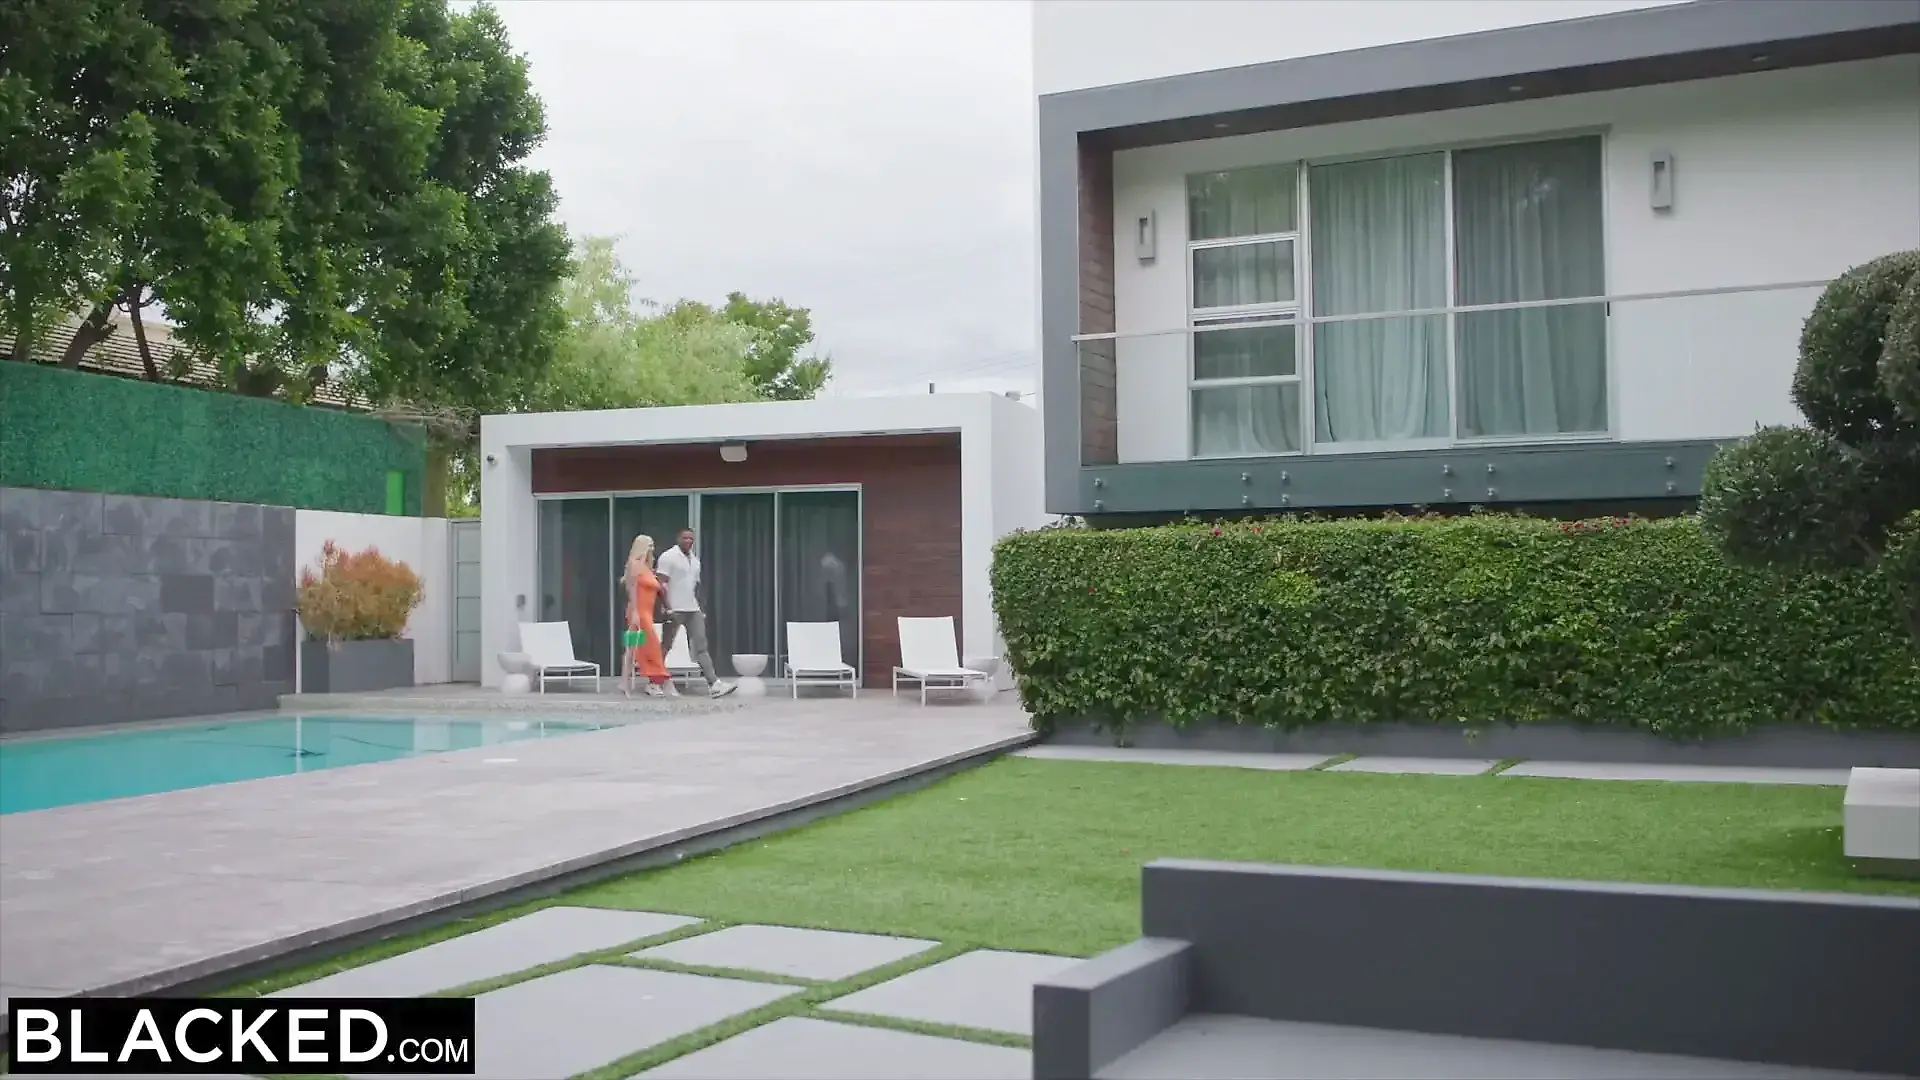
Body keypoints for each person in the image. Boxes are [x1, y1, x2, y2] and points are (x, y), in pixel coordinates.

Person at [656, 527, 736, 698]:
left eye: (691, 538)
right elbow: (661, 584)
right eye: (685, 538)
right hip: (674, 608)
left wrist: (701, 607)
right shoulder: (668, 557)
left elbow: (697, 586)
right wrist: (666, 607)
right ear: (678, 538)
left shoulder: (695, 560)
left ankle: (714, 684)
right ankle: (654, 682)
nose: (688, 541)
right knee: (666, 646)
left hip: (693, 609)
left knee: (701, 646)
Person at [620, 534, 675, 698]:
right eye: (649, 545)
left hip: (646, 613)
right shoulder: (634, 564)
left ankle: (625, 683)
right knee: (651, 646)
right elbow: (631, 589)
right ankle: (661, 681)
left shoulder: (647, 568)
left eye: (652, 545)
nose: (652, 548)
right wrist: (635, 612)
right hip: (638, 612)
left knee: (631, 648)